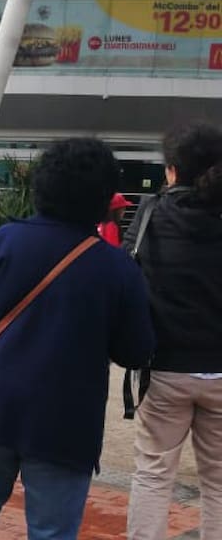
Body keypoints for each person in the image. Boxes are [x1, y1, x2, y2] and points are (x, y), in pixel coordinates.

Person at [0, 138, 155, 540]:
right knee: (52, 533)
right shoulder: (117, 267)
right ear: (104, 198)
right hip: (65, 422)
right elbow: (135, 351)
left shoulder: (3, 242)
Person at [125, 122, 222, 540]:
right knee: (219, 481)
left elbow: (128, 274)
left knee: (153, 473)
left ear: (172, 170)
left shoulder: (151, 213)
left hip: (163, 369)